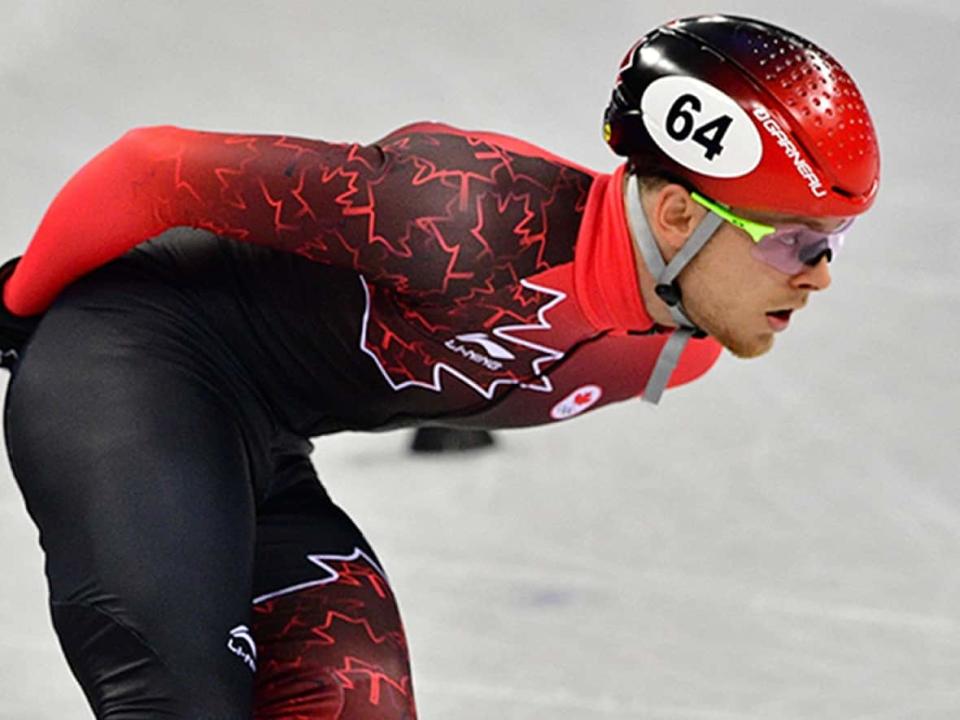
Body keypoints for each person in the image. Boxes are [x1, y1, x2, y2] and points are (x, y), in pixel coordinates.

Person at [0, 14, 878, 720]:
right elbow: (151, 170)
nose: (823, 274)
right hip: (126, 358)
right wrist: (13, 310)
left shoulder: (674, 357)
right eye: (799, 241)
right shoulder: (461, 213)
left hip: (258, 448)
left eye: (838, 241)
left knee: (359, 701)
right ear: (682, 215)